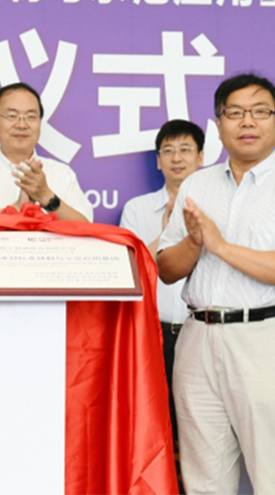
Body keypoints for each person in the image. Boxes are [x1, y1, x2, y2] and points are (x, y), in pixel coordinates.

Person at [158, 73, 275, 495]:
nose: (247, 121)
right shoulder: (197, 184)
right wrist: (195, 241)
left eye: (260, 111)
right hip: (198, 338)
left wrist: (220, 246)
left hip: (264, 339)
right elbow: (166, 269)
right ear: (218, 124)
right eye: (235, 112)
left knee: (273, 475)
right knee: (203, 480)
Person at [120, 119, 204, 453]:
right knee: (155, 428)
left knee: (199, 428)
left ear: (201, 157)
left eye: (185, 149)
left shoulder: (216, 207)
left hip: (200, 331)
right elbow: (130, 271)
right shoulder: (137, 209)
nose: (176, 158)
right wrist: (166, 231)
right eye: (168, 151)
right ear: (158, 160)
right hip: (154, 333)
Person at [0, 82, 93, 221]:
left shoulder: (62, 174)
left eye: (31, 117)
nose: (22, 125)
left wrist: (47, 197)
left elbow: (86, 228)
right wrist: (16, 209)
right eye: (12, 116)